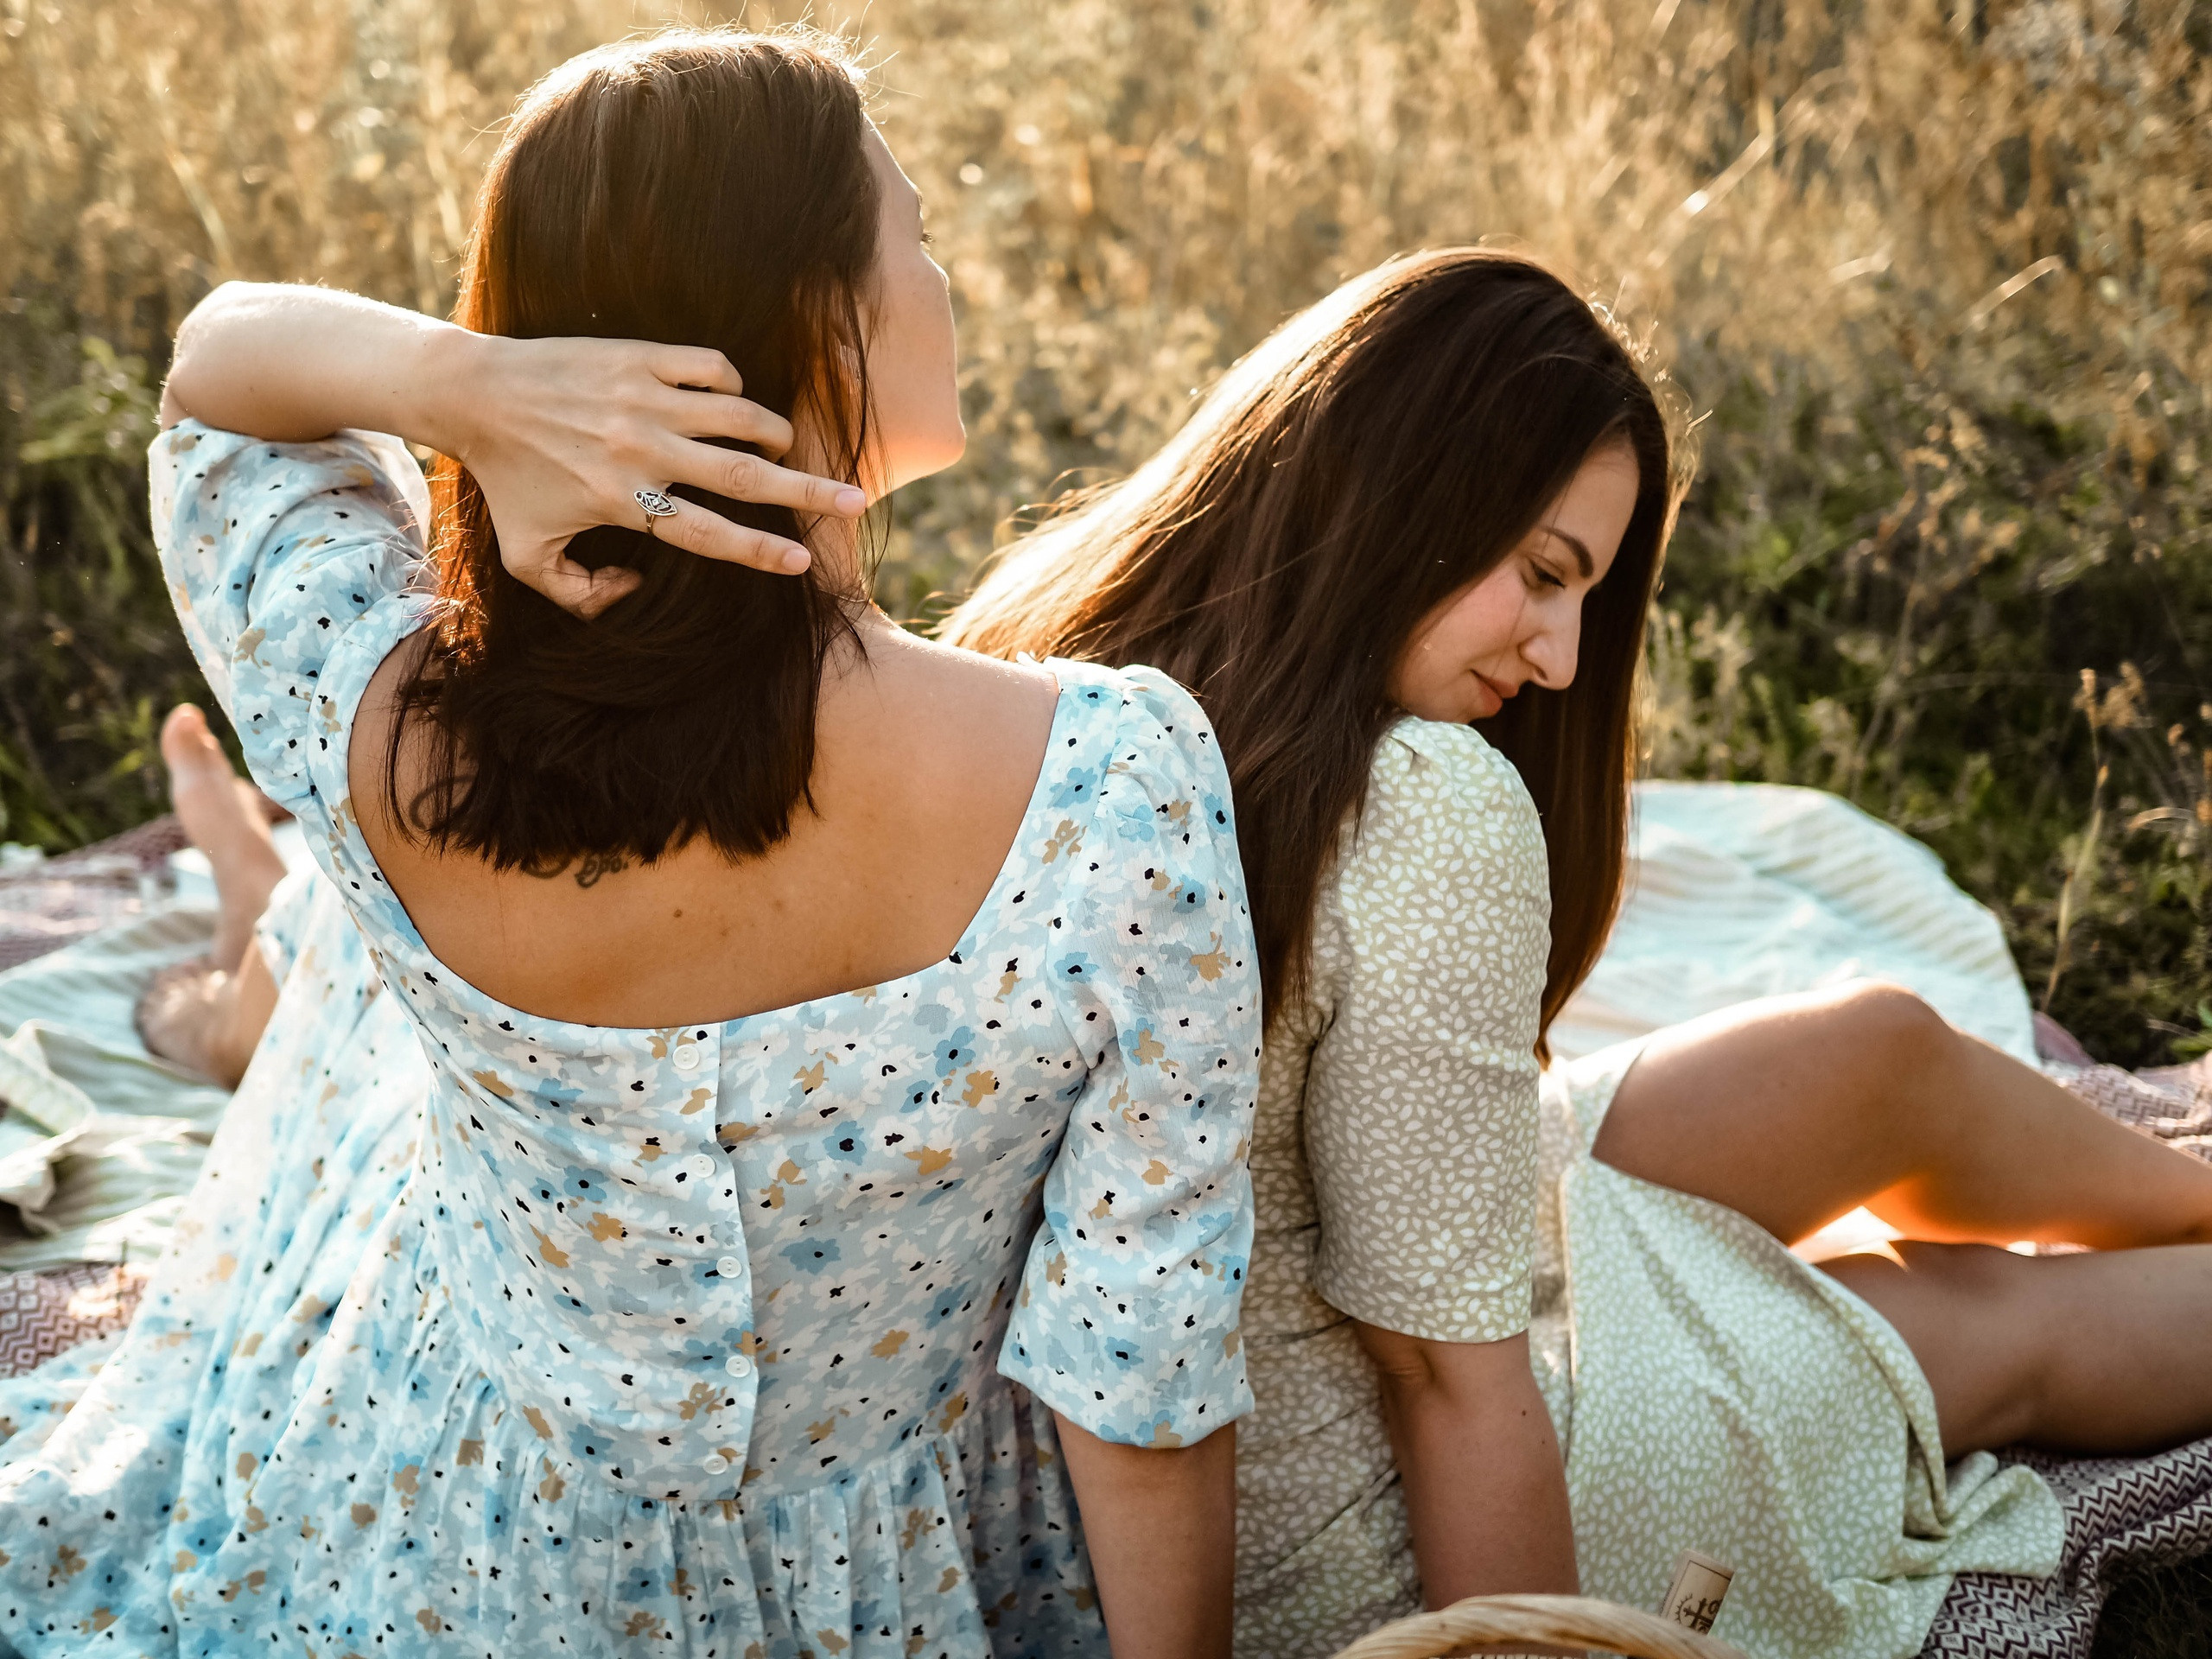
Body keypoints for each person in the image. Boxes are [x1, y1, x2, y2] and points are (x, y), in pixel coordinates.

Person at [100, 243, 2212, 1657]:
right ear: (1394, 498)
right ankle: (262, 939)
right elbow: (1442, 1377)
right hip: (1356, 1490)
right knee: (1961, 1327)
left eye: (1585, 594)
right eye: (1536, 572)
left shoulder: (1050, 657)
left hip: (1366, 1248)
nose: (1561, 659)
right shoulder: (1399, 804)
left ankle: (258, 935)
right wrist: (1512, 1651)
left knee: (1868, 1053)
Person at [0, 29, 1262, 1658]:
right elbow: (1137, 1376)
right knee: (351, 996)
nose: (945, 280)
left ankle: (264, 911)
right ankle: (266, 917)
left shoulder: (381, 720)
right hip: (905, 1591)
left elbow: (220, 380)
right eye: (918, 236)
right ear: (815, 323)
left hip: (450, 1553)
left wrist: (465, 387)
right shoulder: (1113, 789)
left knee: (361, 970)